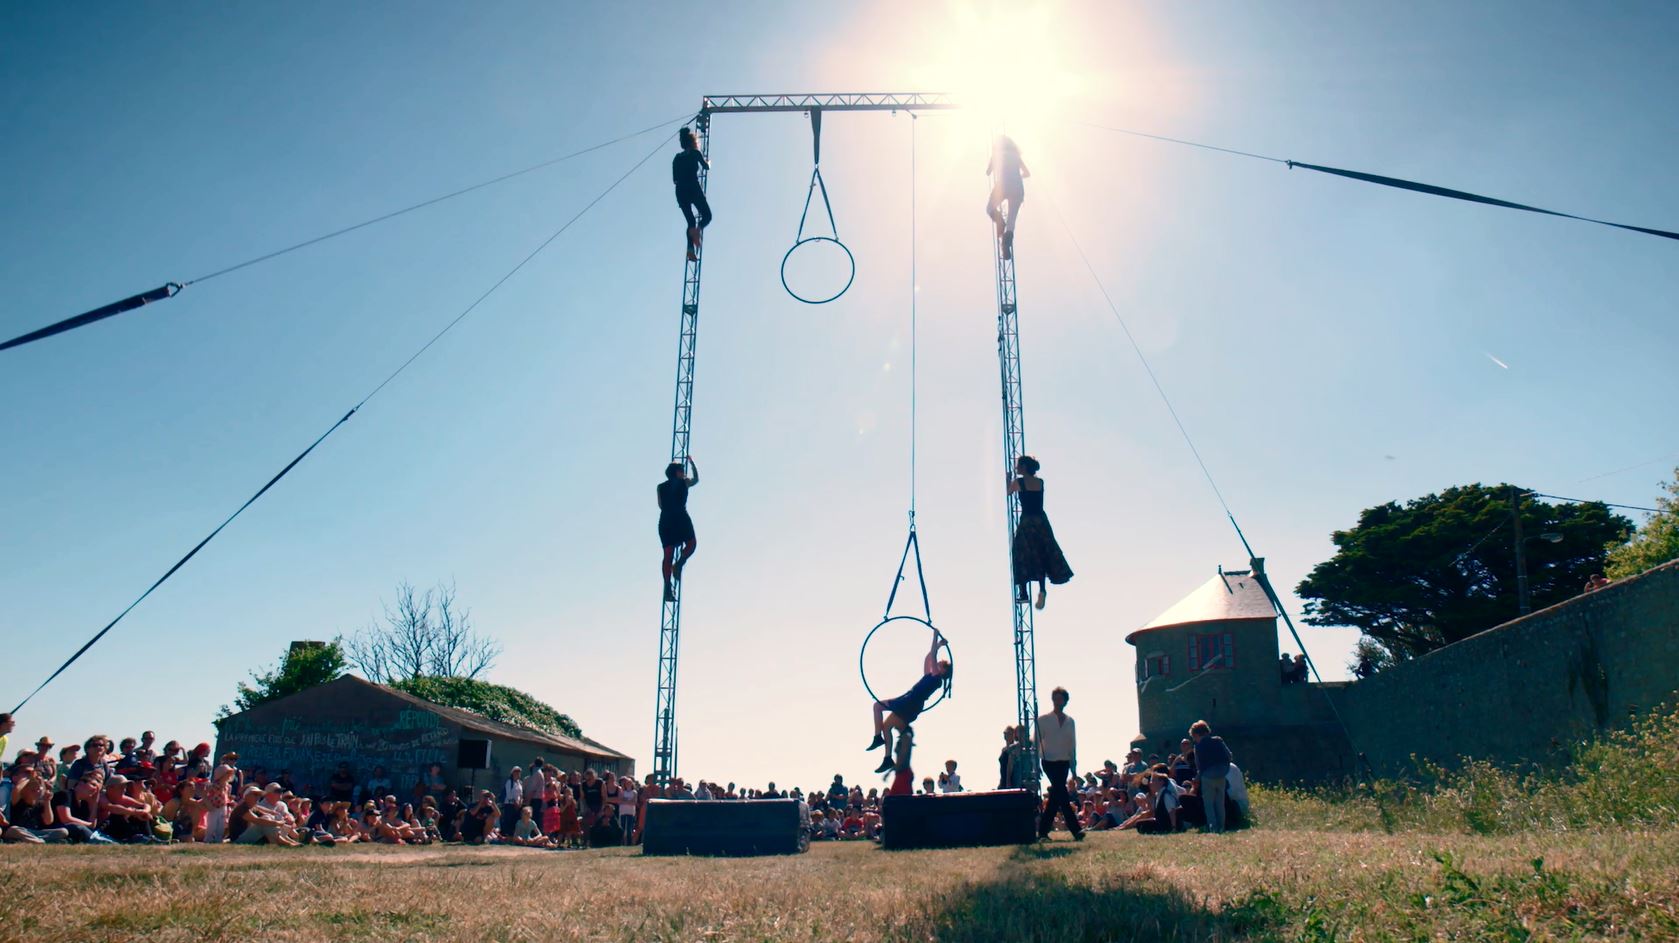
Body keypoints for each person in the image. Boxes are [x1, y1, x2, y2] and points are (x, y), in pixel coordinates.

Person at [867, 631, 953, 774]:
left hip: (909, 703)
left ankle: (879, 739)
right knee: (885, 725)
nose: (937, 663)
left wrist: (935, 637)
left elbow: (932, 655)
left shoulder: (936, 679)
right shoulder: (930, 676)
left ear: (943, 671)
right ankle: (886, 756)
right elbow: (928, 658)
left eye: (940, 664)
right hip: (909, 702)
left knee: (878, 708)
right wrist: (938, 645)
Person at [1008, 455, 1073, 610]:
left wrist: (1008, 479)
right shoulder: (1040, 482)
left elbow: (1008, 492)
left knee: (1021, 553)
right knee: (1042, 553)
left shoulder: (1019, 482)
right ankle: (1042, 589)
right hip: (1041, 521)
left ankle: (1023, 592)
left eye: (1018, 465)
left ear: (1023, 467)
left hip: (1027, 521)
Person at [1036, 686, 1084, 841]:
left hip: (1064, 761)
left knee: (1057, 795)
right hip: (1048, 760)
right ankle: (1075, 829)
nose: (1058, 702)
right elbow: (1036, 743)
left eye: (1061, 699)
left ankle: (1043, 832)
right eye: (1055, 699)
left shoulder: (1070, 721)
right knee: (1061, 793)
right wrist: (1036, 764)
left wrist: (1074, 769)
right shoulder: (1043, 720)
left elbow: (1072, 746)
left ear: (1065, 701)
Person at [658, 458, 700, 602]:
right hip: (680, 517)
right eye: (682, 470)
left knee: (668, 554)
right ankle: (679, 564)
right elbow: (696, 479)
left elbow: (661, 505)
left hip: (666, 520)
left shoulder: (661, 487)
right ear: (677, 472)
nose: (683, 473)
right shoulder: (684, 483)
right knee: (692, 544)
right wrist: (692, 463)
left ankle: (668, 587)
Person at [985, 135, 1030, 260]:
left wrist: (992, 164)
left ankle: (999, 221)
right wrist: (1018, 177)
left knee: (989, 208)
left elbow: (988, 172)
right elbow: (1027, 173)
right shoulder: (1016, 156)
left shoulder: (997, 154)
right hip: (1018, 188)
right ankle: (1006, 242)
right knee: (1011, 222)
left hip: (1003, 185)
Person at [673, 126, 712, 261]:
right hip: (693, 187)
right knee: (707, 215)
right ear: (693, 142)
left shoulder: (676, 158)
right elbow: (705, 167)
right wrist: (709, 163)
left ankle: (690, 249)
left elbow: (675, 179)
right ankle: (698, 229)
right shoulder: (695, 153)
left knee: (690, 221)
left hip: (680, 191)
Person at [1190, 720, 1233, 834]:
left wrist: (1197, 778)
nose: (1194, 739)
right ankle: (1221, 827)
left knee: (1209, 804)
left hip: (1207, 776)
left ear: (1197, 734)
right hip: (1221, 774)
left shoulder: (1198, 747)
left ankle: (1213, 828)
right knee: (1220, 803)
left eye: (1194, 737)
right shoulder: (1218, 740)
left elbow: (1199, 766)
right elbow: (1229, 756)